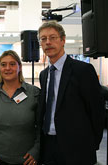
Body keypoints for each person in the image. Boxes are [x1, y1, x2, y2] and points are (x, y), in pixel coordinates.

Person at [38, 21, 105, 164]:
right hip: (49, 145)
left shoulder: (83, 71)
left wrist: (91, 144)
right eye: (43, 39)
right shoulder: (44, 75)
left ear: (63, 40)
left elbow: (97, 111)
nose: (48, 42)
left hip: (77, 148)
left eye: (52, 37)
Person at [0, 50, 40, 165]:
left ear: (20, 67)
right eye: (3, 65)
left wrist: (36, 150)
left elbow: (41, 127)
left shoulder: (34, 93)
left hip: (26, 160)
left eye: (12, 64)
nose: (7, 68)